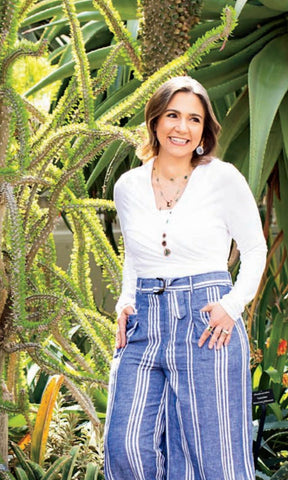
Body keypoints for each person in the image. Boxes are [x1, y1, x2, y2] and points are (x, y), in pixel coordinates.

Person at [104, 76, 267, 480]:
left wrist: (231, 307)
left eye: (194, 119)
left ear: (204, 130)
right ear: (155, 121)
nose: (182, 127)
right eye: (173, 115)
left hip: (206, 321)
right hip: (144, 322)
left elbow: (254, 250)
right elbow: (135, 256)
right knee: (124, 445)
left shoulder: (223, 178)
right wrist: (126, 299)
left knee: (214, 455)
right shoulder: (128, 187)